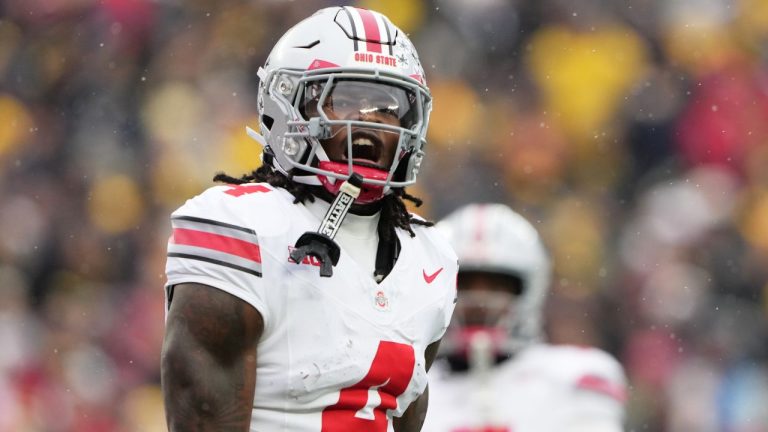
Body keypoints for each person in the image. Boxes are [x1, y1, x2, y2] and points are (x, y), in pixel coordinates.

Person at [160, 6, 458, 432]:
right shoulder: (241, 226)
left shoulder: (431, 257)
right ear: (289, 106)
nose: (369, 121)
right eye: (346, 100)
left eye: (388, 106)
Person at [423, 203, 627, 432]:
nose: (479, 302)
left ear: (528, 291)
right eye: (465, 284)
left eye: (496, 286)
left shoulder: (573, 375)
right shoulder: (412, 387)